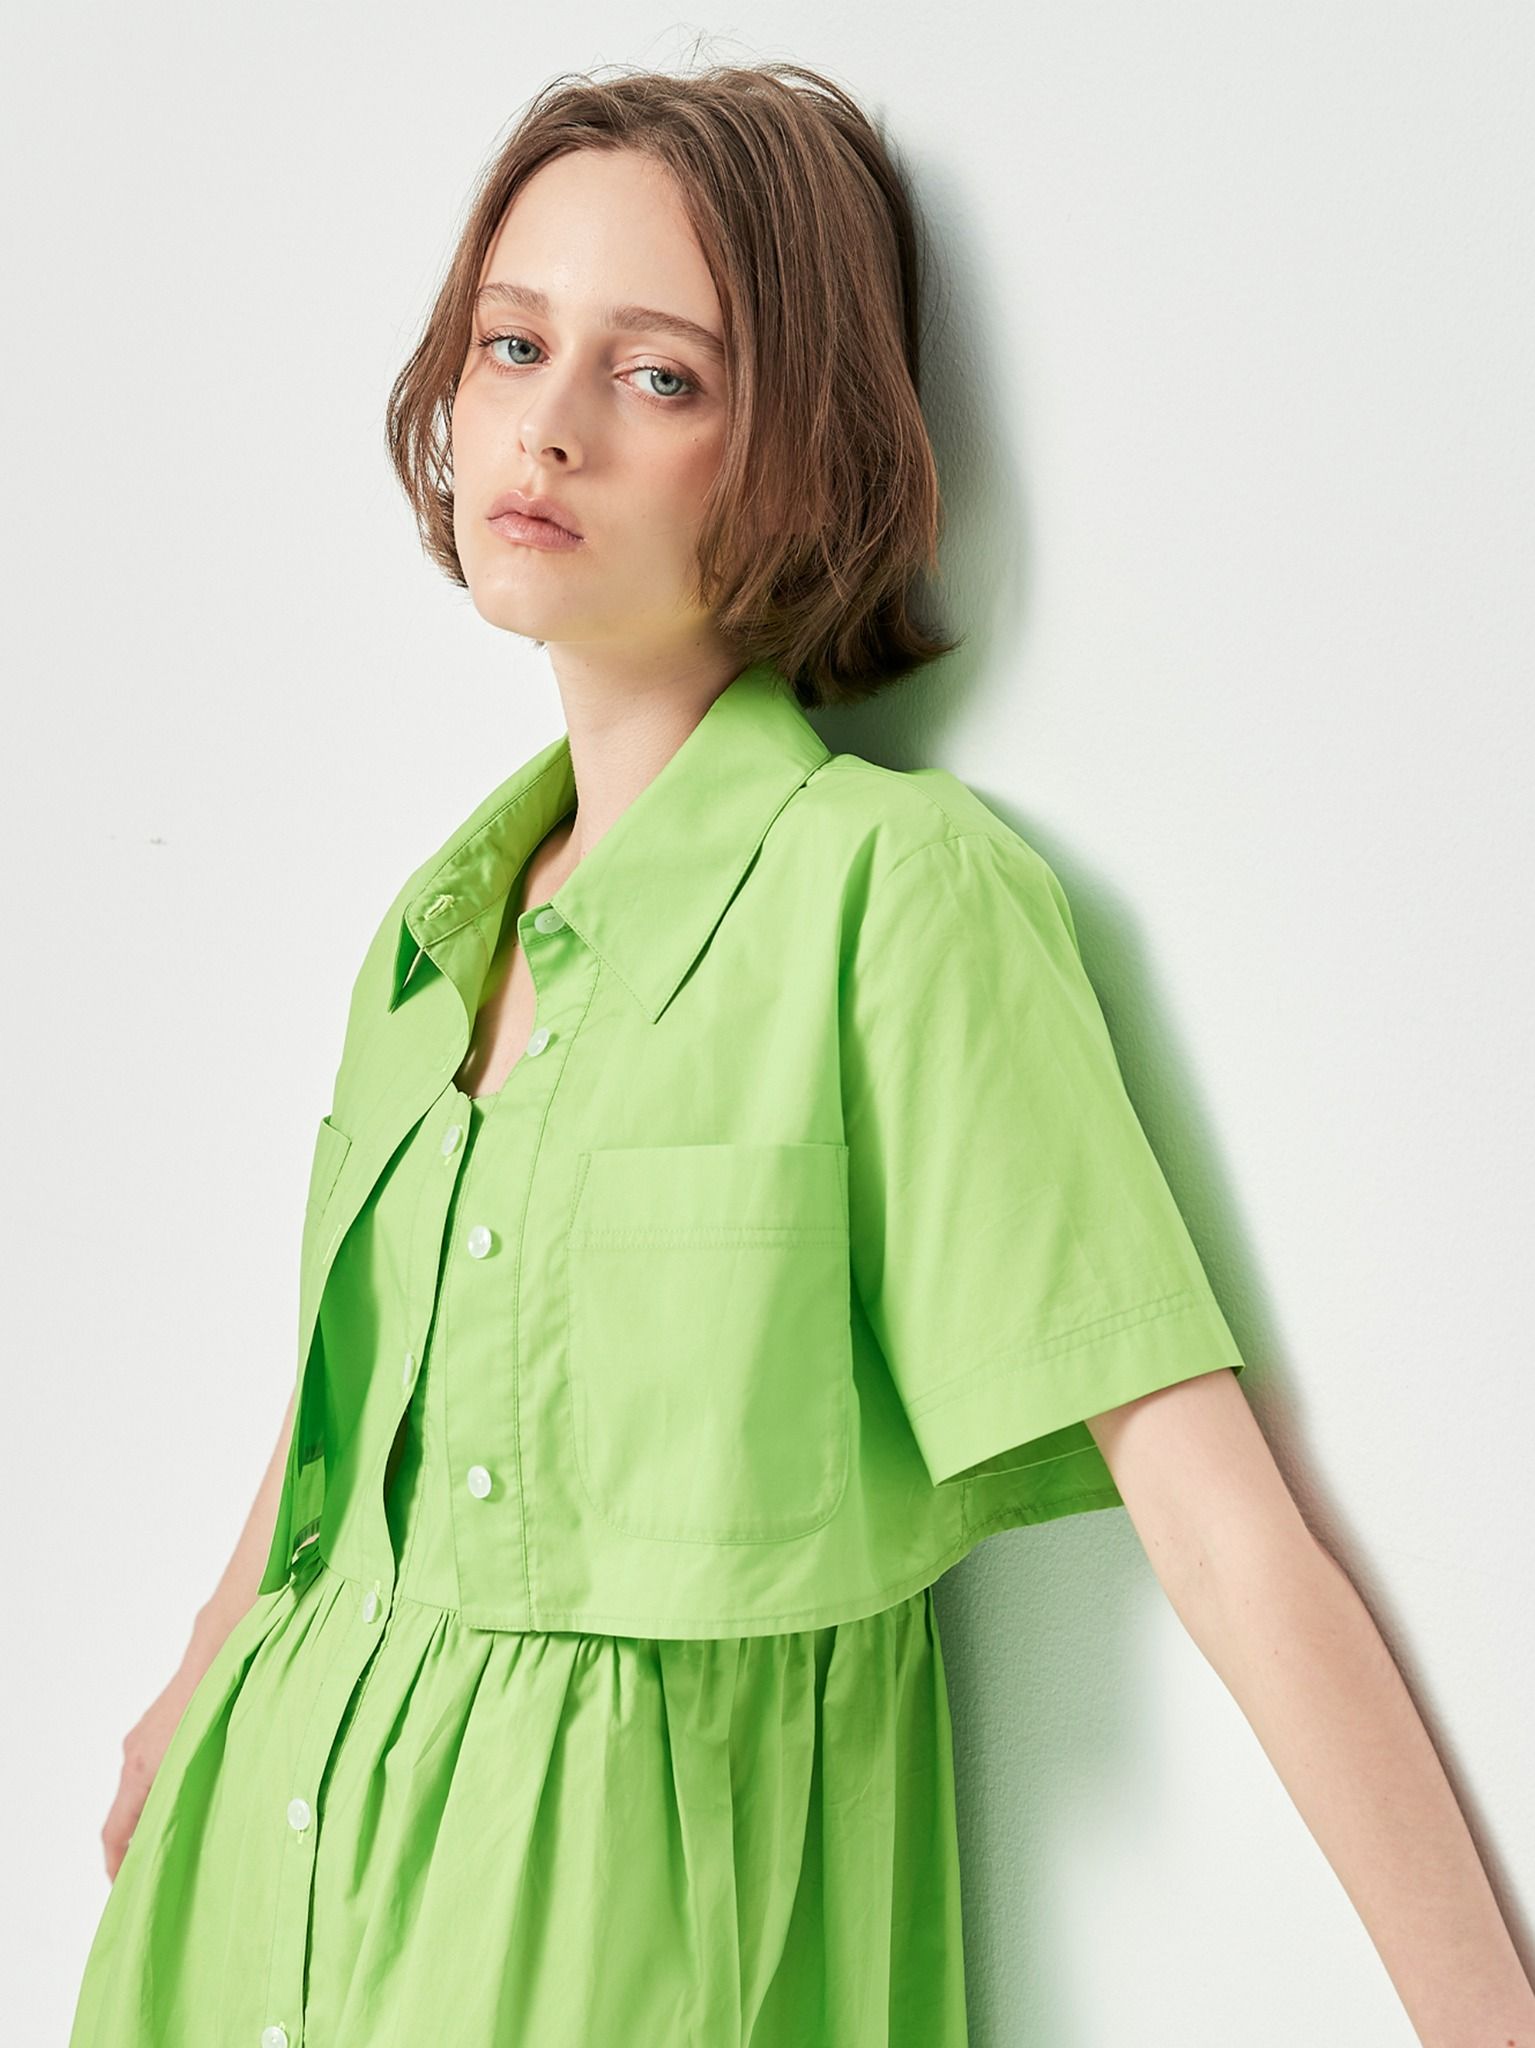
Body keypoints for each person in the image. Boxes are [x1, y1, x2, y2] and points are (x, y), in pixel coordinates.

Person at [68, 59, 1535, 2048]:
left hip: (624, 1961)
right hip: (257, 1900)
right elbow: (364, 1394)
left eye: (659, 374)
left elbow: (1211, 1510)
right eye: (514, 345)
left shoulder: (893, 899)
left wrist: (1486, 2019)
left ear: (800, 453)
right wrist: (199, 1668)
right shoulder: (428, 934)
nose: (551, 425)